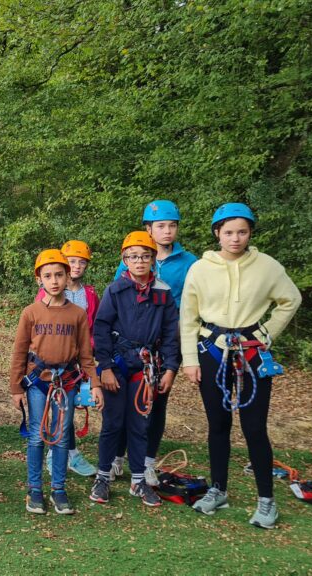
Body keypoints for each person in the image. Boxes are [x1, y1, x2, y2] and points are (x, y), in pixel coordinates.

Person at [180, 203, 301, 529]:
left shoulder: (267, 267)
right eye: (229, 232)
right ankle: (218, 489)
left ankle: (266, 500)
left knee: (254, 428)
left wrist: (266, 334)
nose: (235, 238)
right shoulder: (200, 269)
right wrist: (190, 360)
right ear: (217, 233)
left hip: (250, 353)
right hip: (212, 350)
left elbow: (290, 299)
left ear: (250, 233)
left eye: (242, 232)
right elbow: (187, 317)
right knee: (217, 425)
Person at [89, 232, 180, 508]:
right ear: (124, 259)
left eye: (145, 256)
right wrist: (104, 366)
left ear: (153, 258)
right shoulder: (115, 290)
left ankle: (138, 479)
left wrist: (170, 368)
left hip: (146, 364)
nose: (139, 261)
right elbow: (101, 328)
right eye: (133, 256)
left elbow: (170, 332)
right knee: (113, 422)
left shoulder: (163, 293)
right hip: (117, 363)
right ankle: (103, 476)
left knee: (140, 424)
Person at [111, 200, 198, 483]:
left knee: (156, 401)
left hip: (165, 340)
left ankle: (148, 461)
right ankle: (117, 457)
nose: (167, 231)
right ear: (148, 228)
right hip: (131, 342)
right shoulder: (134, 257)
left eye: (172, 226)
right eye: (161, 226)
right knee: (126, 400)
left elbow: (192, 303)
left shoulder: (189, 263)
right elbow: (117, 299)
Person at [10, 250, 101, 515]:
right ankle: (35, 489)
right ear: (39, 279)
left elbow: (86, 354)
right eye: (48, 275)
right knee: (38, 435)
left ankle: (59, 489)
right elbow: (19, 351)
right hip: (39, 381)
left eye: (59, 274)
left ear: (67, 275)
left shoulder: (78, 314)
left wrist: (94, 383)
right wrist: (16, 386)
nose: (54, 280)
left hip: (67, 382)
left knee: (61, 436)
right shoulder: (31, 313)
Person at [36, 240, 99, 477]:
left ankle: (70, 453)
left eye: (82, 263)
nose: (77, 266)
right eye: (72, 261)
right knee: (56, 408)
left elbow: (93, 327)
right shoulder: (45, 294)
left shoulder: (89, 294)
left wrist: (89, 355)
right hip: (51, 362)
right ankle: (55, 453)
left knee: (70, 407)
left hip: (78, 361)